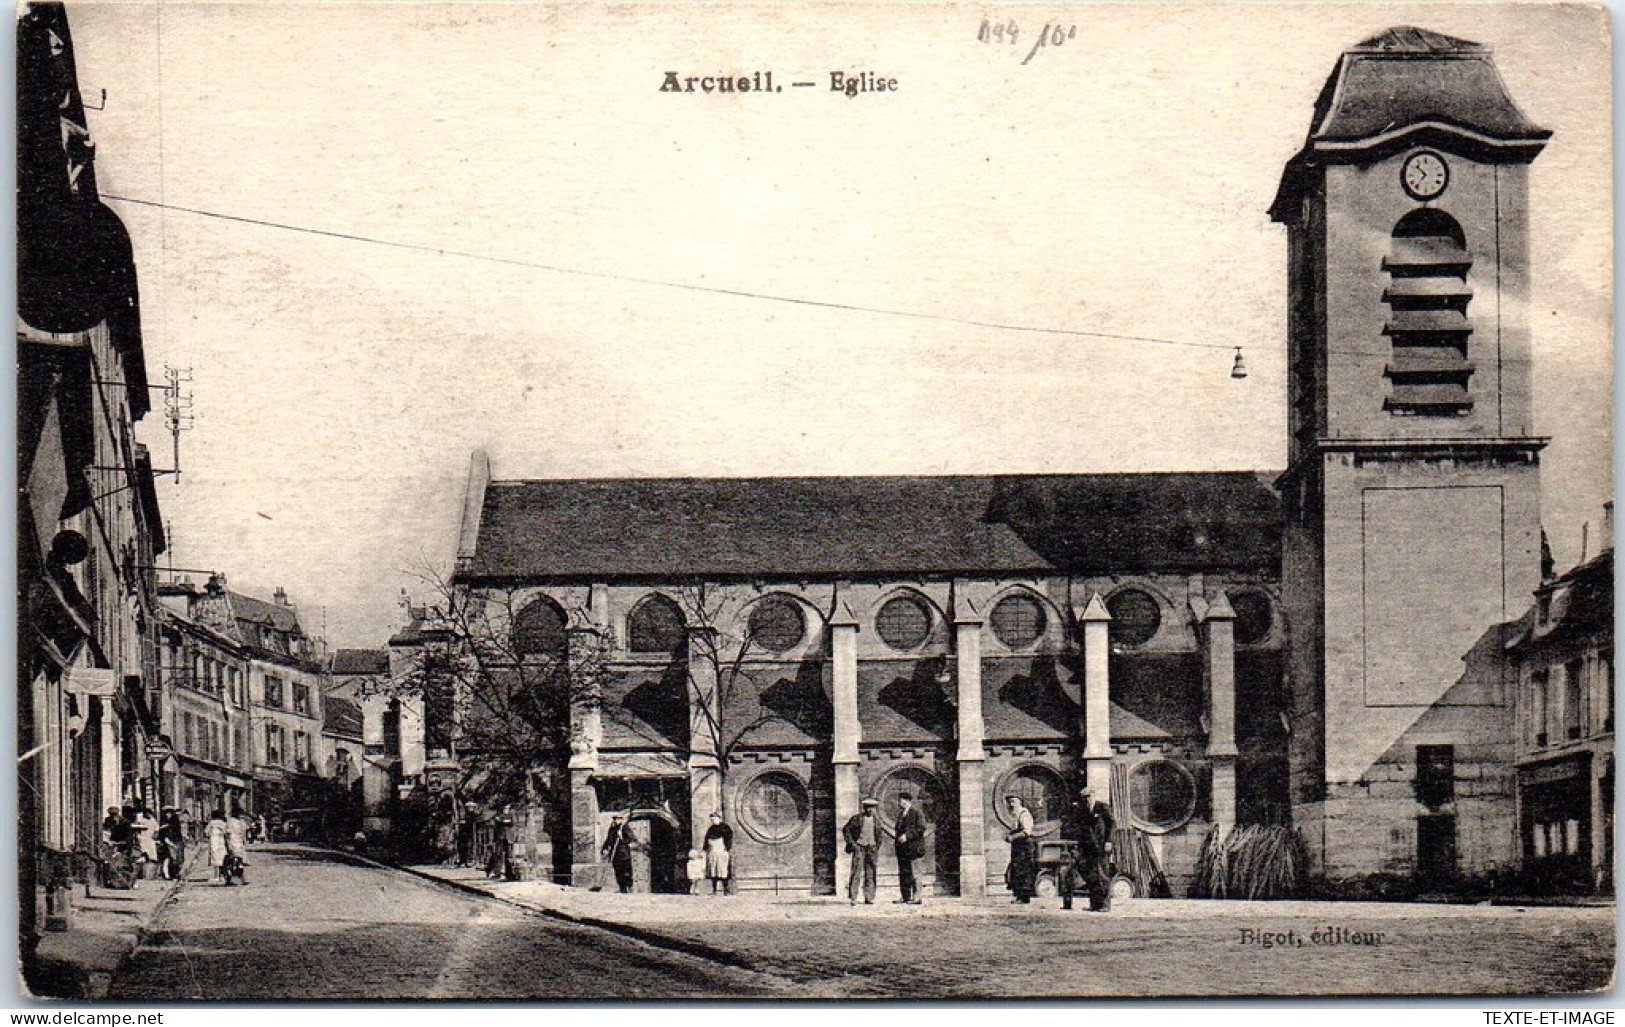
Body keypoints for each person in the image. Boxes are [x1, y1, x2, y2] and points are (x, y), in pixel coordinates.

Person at [842, 797, 885, 906]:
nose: (870, 810)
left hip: (872, 849)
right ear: (864, 808)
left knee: (870, 873)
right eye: (868, 807)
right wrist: (853, 844)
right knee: (856, 872)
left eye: (872, 807)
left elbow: (879, 836)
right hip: (860, 847)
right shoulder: (857, 819)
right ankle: (853, 897)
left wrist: (876, 847)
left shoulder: (877, 821)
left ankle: (869, 897)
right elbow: (846, 830)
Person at [892, 792, 926, 904]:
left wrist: (907, 836)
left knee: (915, 874)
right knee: (904, 873)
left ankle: (917, 898)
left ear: (907, 801)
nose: (899, 803)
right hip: (902, 850)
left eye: (901, 800)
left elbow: (921, 828)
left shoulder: (917, 813)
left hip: (914, 849)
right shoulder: (901, 814)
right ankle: (905, 897)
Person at [1004, 795, 1037, 903]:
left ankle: (1024, 897)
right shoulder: (1016, 815)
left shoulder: (1024, 814)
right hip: (1018, 847)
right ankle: (1019, 896)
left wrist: (1012, 837)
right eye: (1009, 802)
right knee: (1017, 870)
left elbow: (1027, 832)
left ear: (1019, 802)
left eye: (1013, 802)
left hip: (1024, 847)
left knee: (1023, 871)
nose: (1011, 804)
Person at [600, 814, 637, 893]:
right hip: (615, 854)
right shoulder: (612, 829)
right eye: (614, 819)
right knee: (618, 871)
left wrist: (621, 837)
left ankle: (630, 888)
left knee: (626, 871)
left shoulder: (625, 828)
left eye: (617, 819)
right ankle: (622, 888)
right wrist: (604, 848)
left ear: (621, 819)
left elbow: (632, 839)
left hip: (624, 854)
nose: (615, 820)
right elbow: (608, 839)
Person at [701, 812, 733, 895]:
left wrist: (727, 847)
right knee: (713, 871)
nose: (713, 820)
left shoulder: (725, 828)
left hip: (721, 851)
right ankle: (714, 890)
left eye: (714, 818)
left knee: (723, 870)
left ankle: (726, 890)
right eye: (711, 819)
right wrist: (705, 849)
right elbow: (706, 839)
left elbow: (729, 838)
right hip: (713, 851)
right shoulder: (710, 829)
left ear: (719, 818)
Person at [156, 808, 186, 881]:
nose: (167, 815)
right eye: (166, 813)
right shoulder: (164, 824)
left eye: (169, 813)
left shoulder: (173, 823)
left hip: (175, 841)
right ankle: (172, 874)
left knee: (176, 859)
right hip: (170, 842)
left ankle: (175, 874)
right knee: (171, 859)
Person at [224, 808, 251, 885]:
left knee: (234, 861)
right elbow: (244, 831)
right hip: (235, 841)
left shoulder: (230, 822)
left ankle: (235, 879)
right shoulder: (237, 822)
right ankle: (235, 879)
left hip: (234, 842)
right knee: (237, 861)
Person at [205, 809, 230, 885]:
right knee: (222, 857)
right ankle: (222, 875)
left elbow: (206, 832)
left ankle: (216, 876)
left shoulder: (211, 823)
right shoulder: (223, 823)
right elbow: (226, 832)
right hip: (221, 841)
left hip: (213, 841)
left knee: (215, 858)